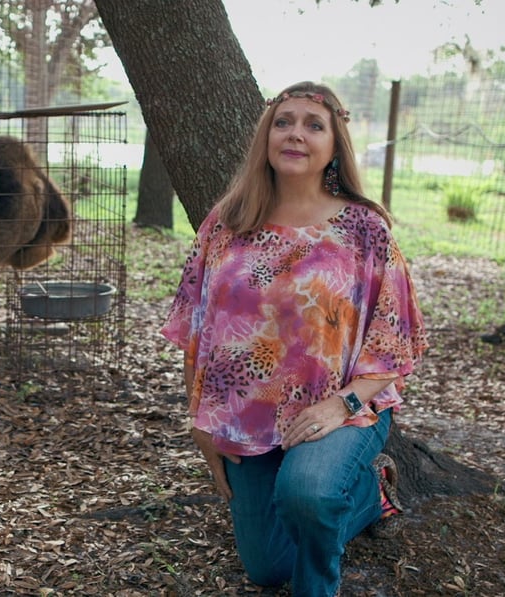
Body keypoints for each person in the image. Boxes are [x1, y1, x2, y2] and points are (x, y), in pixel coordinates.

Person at [160, 81, 429, 596]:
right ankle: (370, 498)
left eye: (313, 124)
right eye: (283, 122)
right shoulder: (228, 222)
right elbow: (197, 326)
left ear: (334, 144)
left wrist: (341, 405)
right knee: (266, 567)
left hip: (344, 406)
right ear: (266, 136)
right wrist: (199, 420)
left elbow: (393, 340)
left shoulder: (364, 228)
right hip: (246, 413)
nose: (295, 134)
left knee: (306, 493)